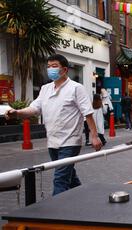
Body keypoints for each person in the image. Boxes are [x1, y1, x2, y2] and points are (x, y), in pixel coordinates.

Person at [5, 54, 102, 196]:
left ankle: (55, 214)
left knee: (60, 179)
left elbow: (87, 113)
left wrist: (94, 136)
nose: (51, 69)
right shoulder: (45, 89)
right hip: (53, 141)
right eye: (49, 66)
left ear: (65, 70)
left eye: (54, 66)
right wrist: (17, 112)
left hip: (70, 141)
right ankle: (83, 197)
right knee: (69, 175)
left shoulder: (76, 88)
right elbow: (34, 108)